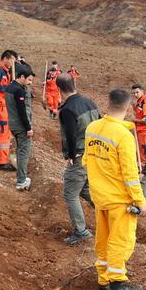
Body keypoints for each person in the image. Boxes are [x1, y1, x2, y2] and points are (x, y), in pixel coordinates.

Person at [84, 88, 146, 290]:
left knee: (103, 238)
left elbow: (87, 160)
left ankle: (103, 279)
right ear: (129, 107)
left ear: (108, 103)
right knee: (120, 241)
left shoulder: (92, 128)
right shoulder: (122, 136)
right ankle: (117, 285)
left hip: (99, 196)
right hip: (119, 200)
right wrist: (141, 202)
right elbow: (130, 175)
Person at [56, 73, 99, 244]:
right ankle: (110, 214)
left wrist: (72, 156)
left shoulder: (67, 110)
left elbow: (71, 136)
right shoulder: (90, 102)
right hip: (95, 154)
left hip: (81, 155)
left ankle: (81, 231)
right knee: (85, 189)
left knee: (70, 194)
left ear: (59, 90)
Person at [5, 64, 35, 191]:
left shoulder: (10, 87)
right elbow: (22, 111)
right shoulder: (18, 90)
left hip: (13, 124)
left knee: (20, 150)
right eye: (29, 80)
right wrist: (28, 128)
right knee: (24, 152)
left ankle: (20, 177)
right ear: (21, 76)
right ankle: (21, 181)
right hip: (21, 126)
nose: (30, 83)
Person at [130, 83, 146, 163]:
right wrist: (134, 106)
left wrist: (135, 120)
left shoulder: (145, 103)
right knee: (140, 150)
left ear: (142, 91)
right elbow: (139, 112)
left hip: (144, 131)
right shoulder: (140, 100)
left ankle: (144, 168)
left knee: (143, 151)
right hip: (140, 129)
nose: (135, 94)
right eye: (133, 93)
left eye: (137, 92)